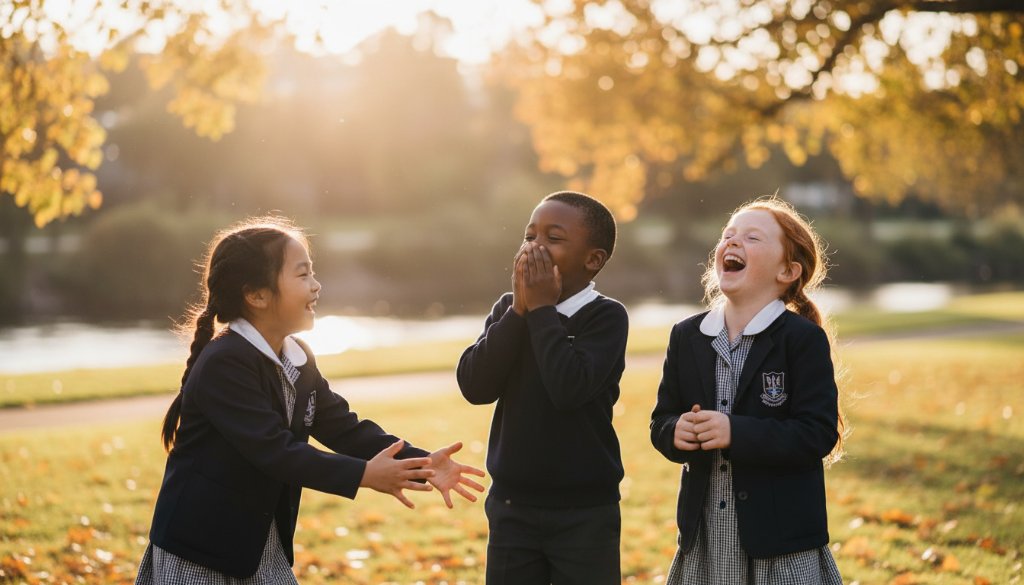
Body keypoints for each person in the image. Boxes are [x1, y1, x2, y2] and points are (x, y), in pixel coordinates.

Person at [135, 217, 485, 584]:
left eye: (312, 273)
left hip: (259, 549)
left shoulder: (297, 357)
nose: (316, 286)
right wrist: (364, 476)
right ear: (256, 295)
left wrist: (423, 462)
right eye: (302, 275)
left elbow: (345, 428)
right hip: (199, 551)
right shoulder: (225, 362)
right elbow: (276, 451)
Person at [650, 196, 846, 584]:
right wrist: (676, 432)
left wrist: (734, 432)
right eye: (728, 235)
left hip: (781, 544)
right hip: (704, 539)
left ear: (788, 270)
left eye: (752, 238)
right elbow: (661, 420)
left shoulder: (802, 339)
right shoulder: (687, 336)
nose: (733, 242)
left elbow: (817, 433)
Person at [457, 191, 628, 585]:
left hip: (585, 510)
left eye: (553, 238)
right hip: (512, 505)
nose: (534, 246)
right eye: (529, 234)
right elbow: (474, 385)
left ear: (592, 260)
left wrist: (542, 310)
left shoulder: (605, 317)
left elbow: (567, 387)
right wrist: (520, 311)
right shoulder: (509, 309)